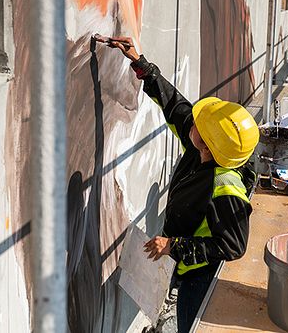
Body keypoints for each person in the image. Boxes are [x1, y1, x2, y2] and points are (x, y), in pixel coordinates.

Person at [105, 36, 259, 333]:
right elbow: (174, 105)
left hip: (199, 276)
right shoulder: (203, 146)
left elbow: (233, 246)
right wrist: (141, 64)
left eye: (201, 125)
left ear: (210, 146)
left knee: (191, 324)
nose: (194, 122)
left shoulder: (225, 185)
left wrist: (175, 246)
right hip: (180, 260)